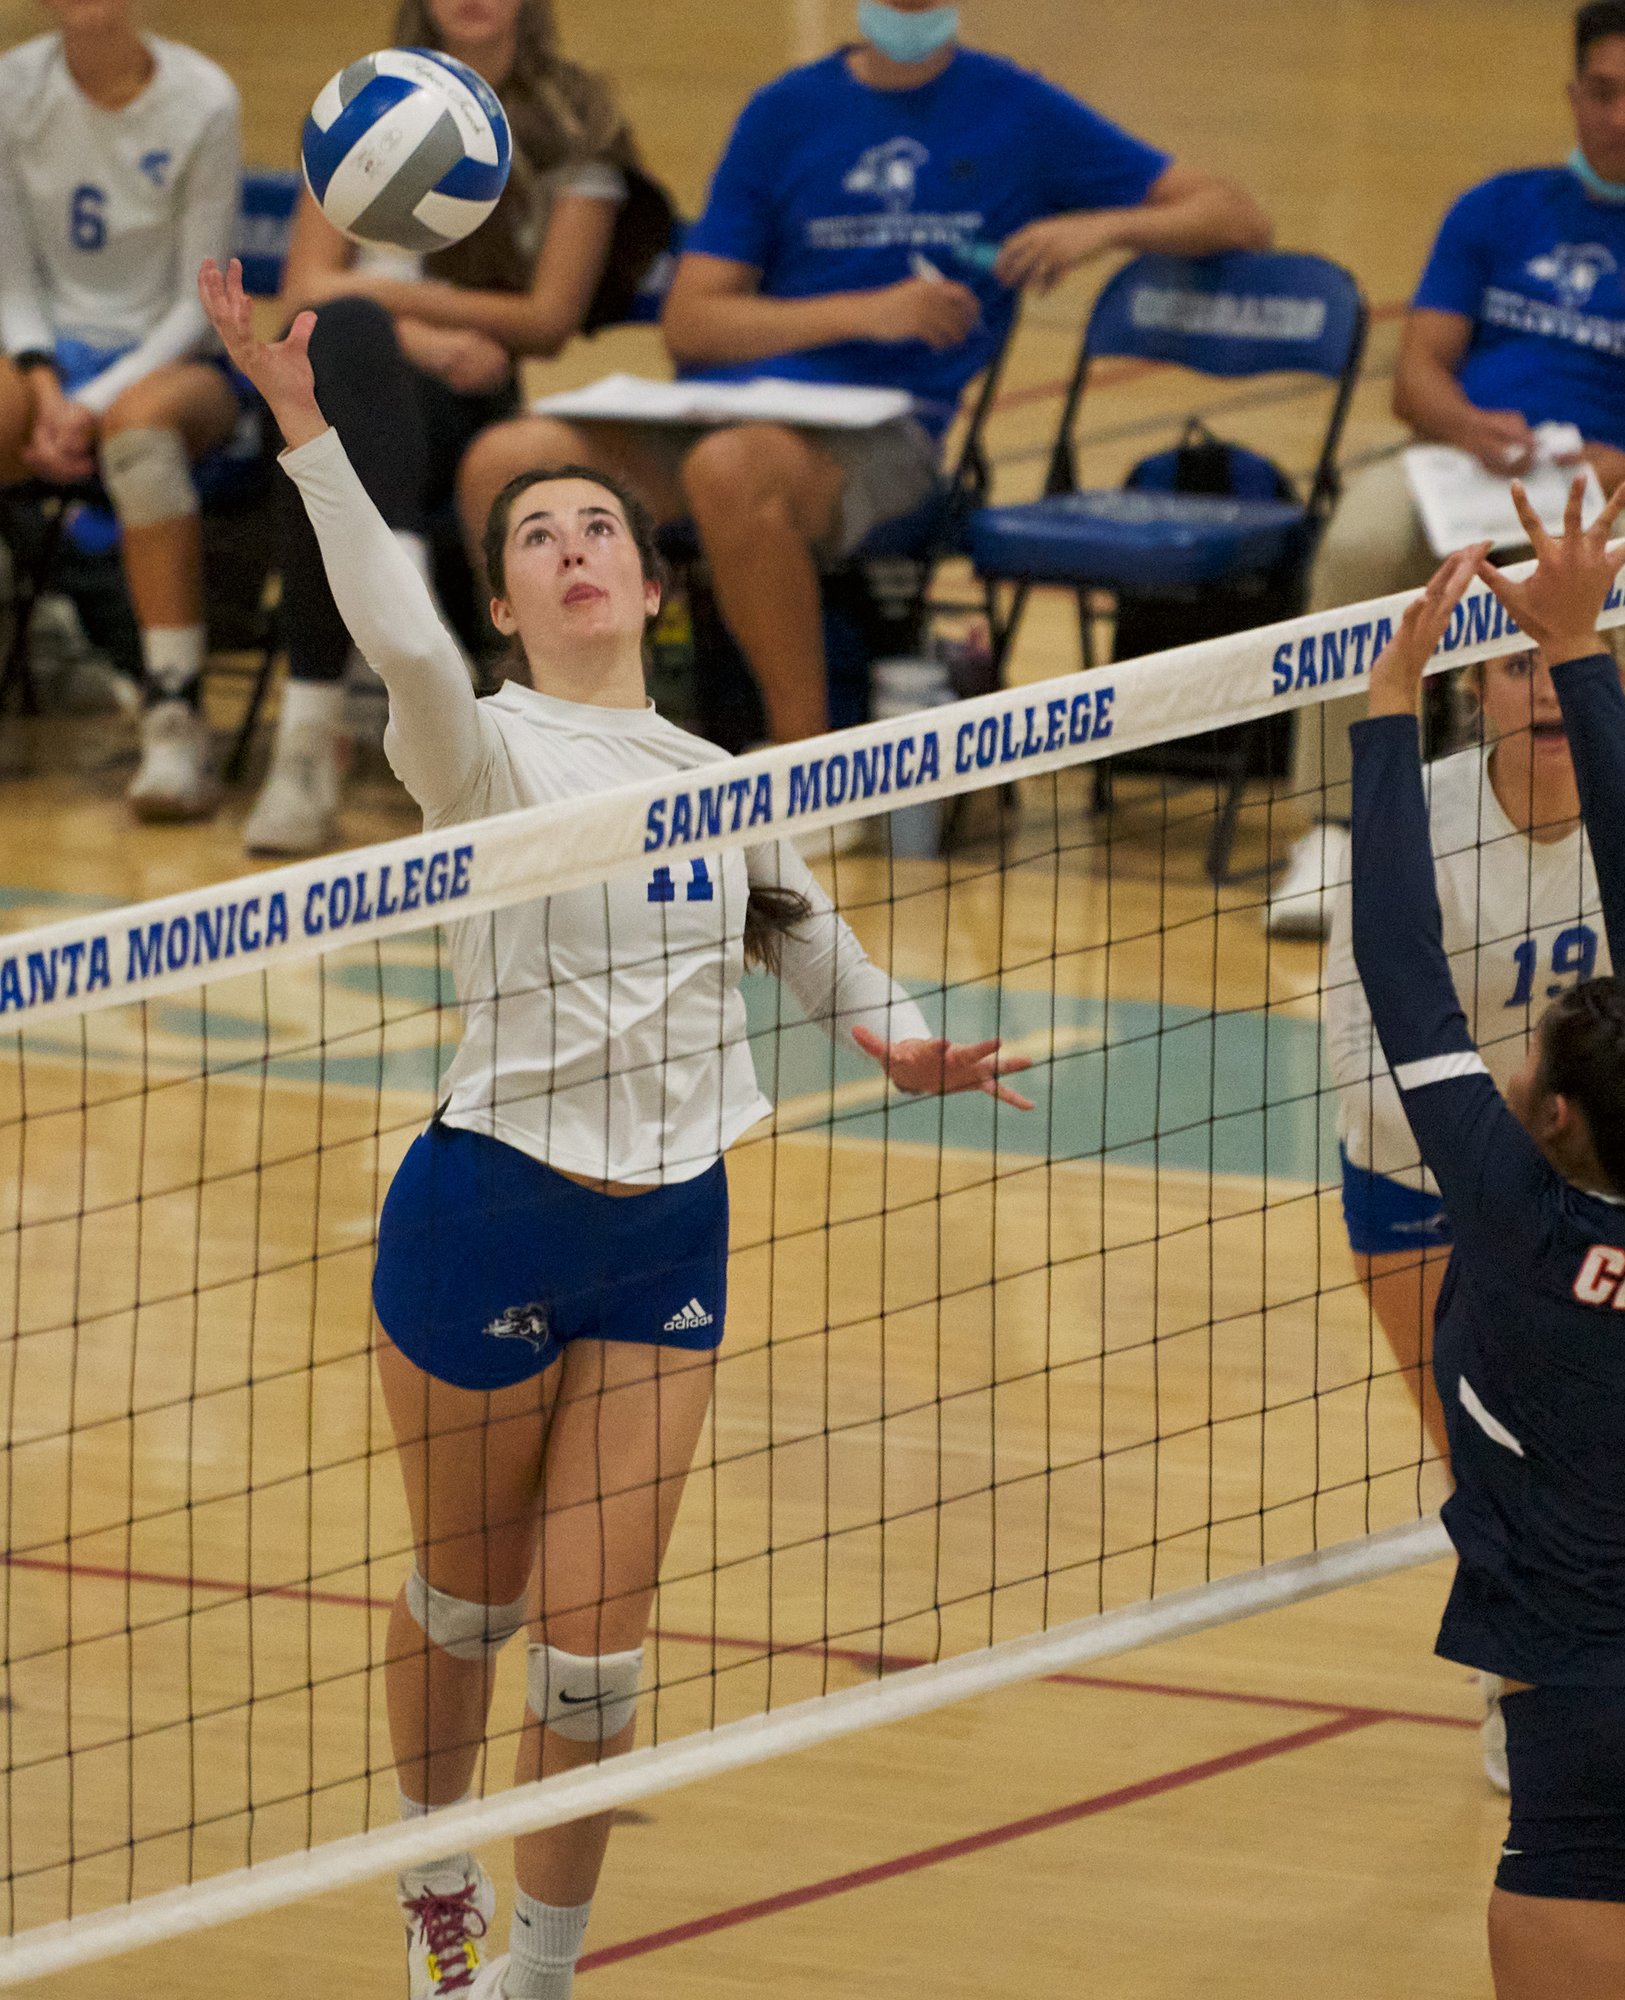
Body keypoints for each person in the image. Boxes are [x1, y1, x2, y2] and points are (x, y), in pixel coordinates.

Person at [201, 255, 1033, 2000]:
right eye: (534, 536)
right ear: (510, 608)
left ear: (649, 586)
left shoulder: (727, 777)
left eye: (595, 527)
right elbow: (396, 633)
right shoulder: (479, 751)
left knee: (593, 1662)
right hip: (484, 1213)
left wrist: (902, 1043)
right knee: (468, 1603)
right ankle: (432, 1869)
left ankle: (541, 1968)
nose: (570, 544)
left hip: (671, 1231)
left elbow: (805, 927)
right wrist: (309, 435)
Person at [1349, 479, 1625, 2000]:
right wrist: (1586, 653)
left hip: (1606, 1741)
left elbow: (1401, 969)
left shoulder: (1527, 1226)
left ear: (1545, 1119)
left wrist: (1386, 718)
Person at [458, 0, 1273, 749]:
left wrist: (1101, 228)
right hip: (733, 407)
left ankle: (802, 766)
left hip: (886, 435)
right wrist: (866, 311)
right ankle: (559, 742)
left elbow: (1236, 212)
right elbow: (694, 324)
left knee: (733, 469)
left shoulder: (1020, 110)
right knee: (510, 461)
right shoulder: (785, 113)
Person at [1270, 0, 1625, 938]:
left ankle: (1609, 821)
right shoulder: (1494, 209)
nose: (1621, 115)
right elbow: (1415, 374)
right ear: (1574, 96)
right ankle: (1339, 832)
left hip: (1612, 477)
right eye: (1603, 92)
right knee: (1358, 542)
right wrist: (1468, 423)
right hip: (1464, 460)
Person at [244, 0, 654, 856]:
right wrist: (417, 332)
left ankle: (317, 723)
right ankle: (334, 708)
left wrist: (382, 300)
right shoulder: (368, 99)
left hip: (478, 403)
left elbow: (545, 318)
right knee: (338, 362)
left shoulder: (580, 119)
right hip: (381, 376)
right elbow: (309, 284)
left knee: (333, 389)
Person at [0, 0, 239, 819]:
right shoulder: (11, 88)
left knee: (139, 435)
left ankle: (173, 713)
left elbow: (194, 303)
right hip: (45, 359)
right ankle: (32, 632)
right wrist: (41, 385)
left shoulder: (203, 98)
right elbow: (12, 276)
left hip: (168, 359)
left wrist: (89, 404)